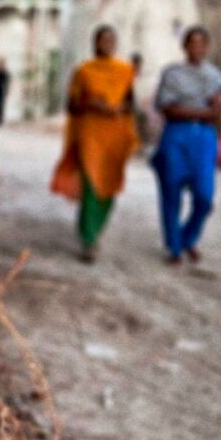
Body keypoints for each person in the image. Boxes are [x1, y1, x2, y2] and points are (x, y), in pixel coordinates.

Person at [50, 25, 138, 263]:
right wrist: (91, 104)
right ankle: (89, 240)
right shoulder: (85, 71)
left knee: (108, 185)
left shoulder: (125, 71)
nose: (107, 43)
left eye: (111, 39)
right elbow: (72, 105)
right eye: (103, 39)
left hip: (115, 137)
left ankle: (94, 229)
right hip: (89, 135)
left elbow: (131, 102)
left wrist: (118, 108)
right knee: (91, 184)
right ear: (95, 43)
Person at [151, 25, 221, 265]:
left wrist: (202, 113)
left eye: (201, 43)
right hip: (176, 135)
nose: (197, 47)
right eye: (192, 42)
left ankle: (188, 237)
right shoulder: (172, 74)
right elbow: (166, 108)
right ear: (184, 46)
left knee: (204, 196)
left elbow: (217, 110)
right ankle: (174, 247)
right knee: (171, 191)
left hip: (204, 137)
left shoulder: (215, 76)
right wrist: (202, 111)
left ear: (207, 47)